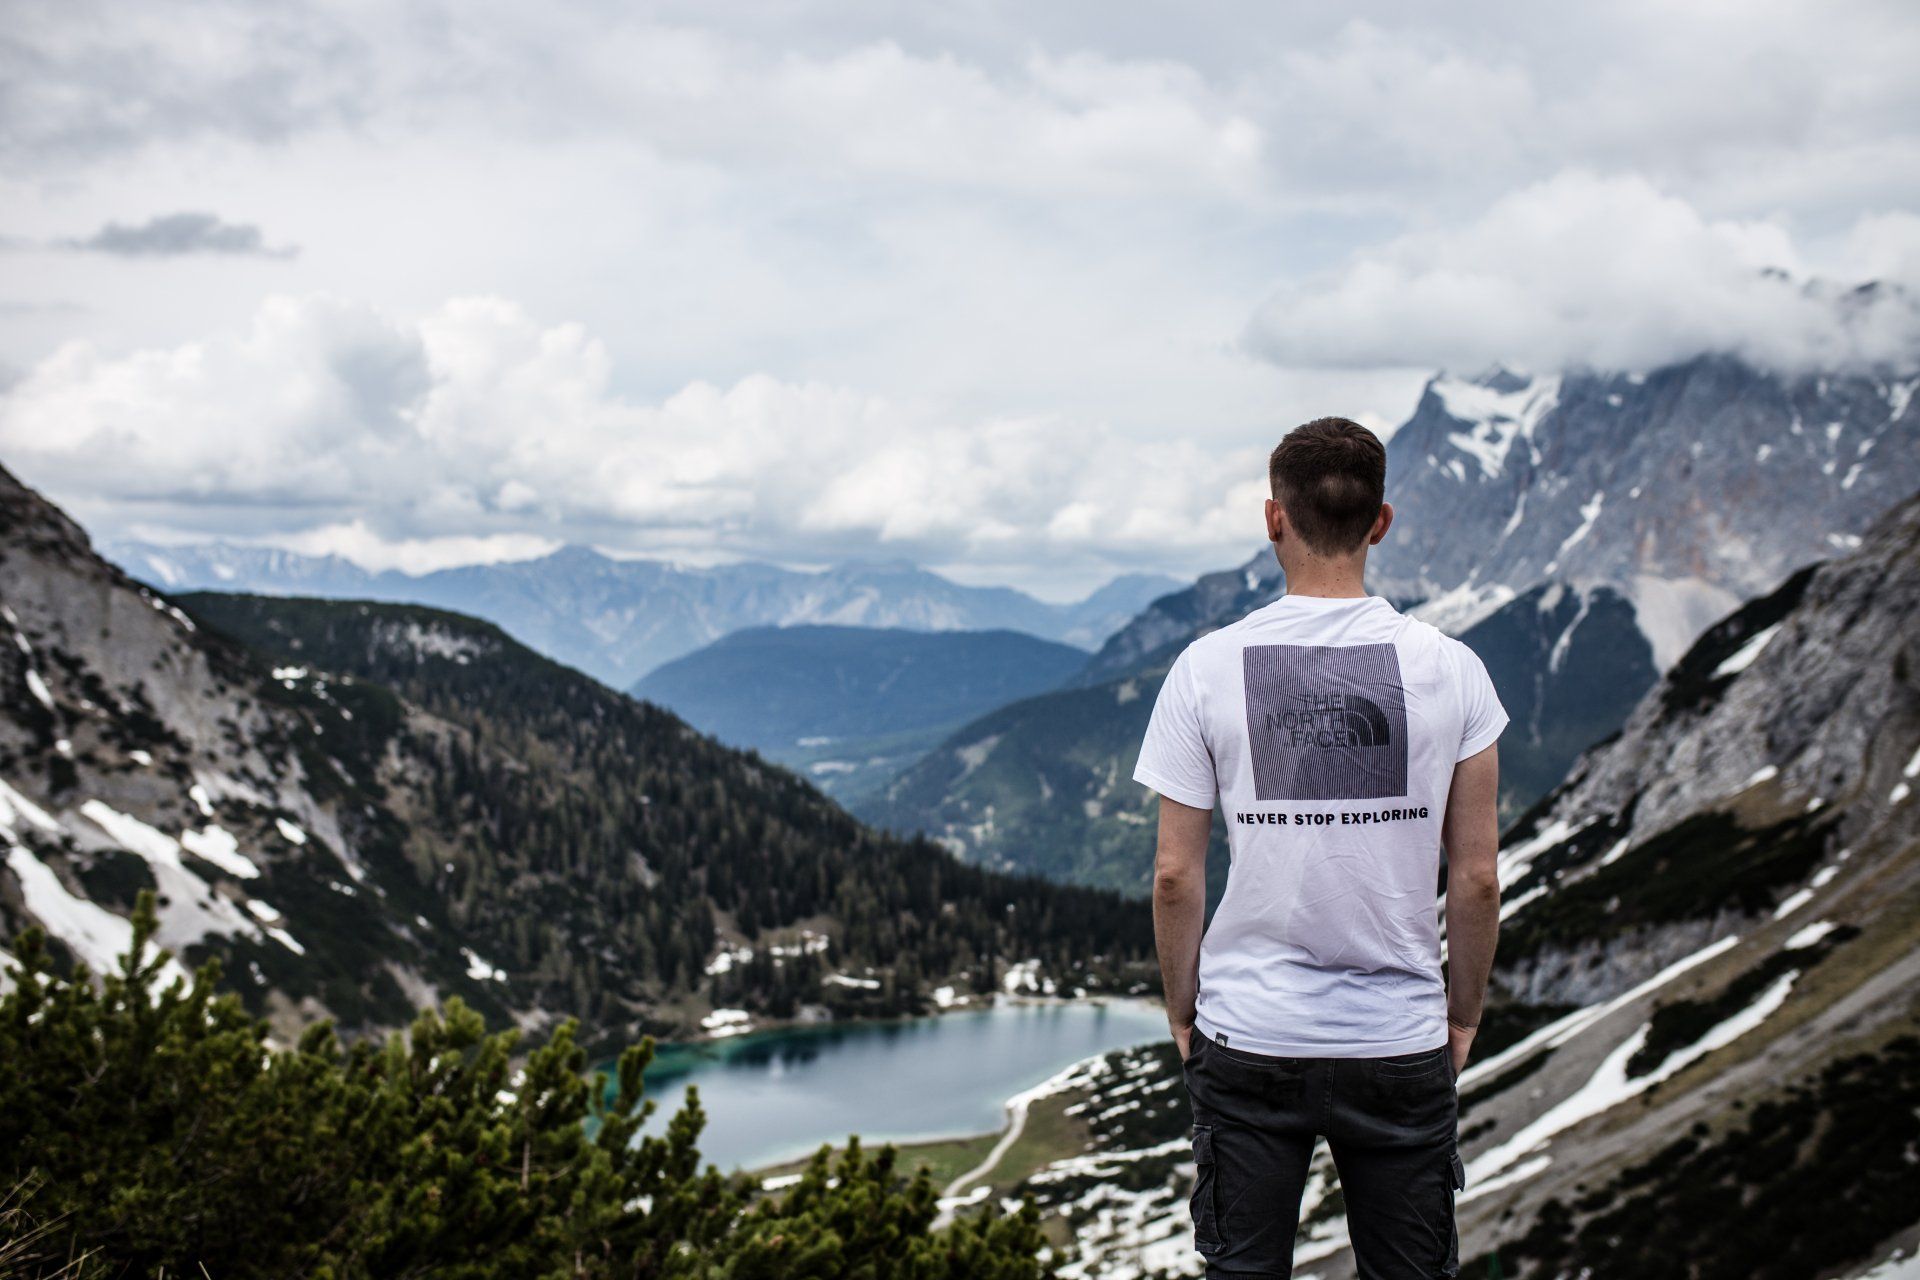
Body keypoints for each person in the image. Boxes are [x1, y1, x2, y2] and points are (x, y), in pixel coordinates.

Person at [1134, 416, 1504, 1279]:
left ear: (1274, 520)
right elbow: (1479, 879)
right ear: (1381, 522)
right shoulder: (1454, 669)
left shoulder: (1205, 667)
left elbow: (1175, 876)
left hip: (1249, 1032)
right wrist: (1460, 1015)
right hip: (1400, 1039)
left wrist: (1185, 1010)